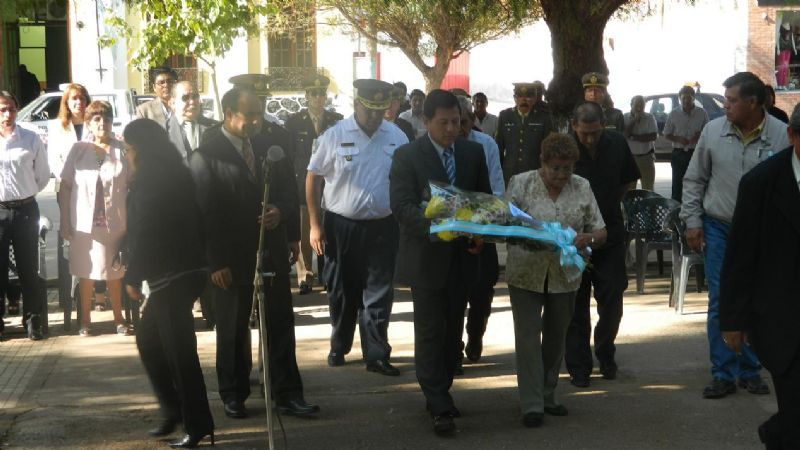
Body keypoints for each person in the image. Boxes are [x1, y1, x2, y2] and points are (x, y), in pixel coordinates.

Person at [191, 86, 317, 419]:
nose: (256, 122)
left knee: (279, 321)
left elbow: (289, 190)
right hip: (231, 257)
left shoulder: (268, 144)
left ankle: (287, 392)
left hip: (271, 250)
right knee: (232, 327)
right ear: (228, 114)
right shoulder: (207, 153)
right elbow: (204, 212)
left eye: (259, 114)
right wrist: (214, 262)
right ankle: (234, 393)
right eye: (249, 116)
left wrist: (285, 219)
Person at [681, 71, 788, 400]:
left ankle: (751, 369)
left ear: (753, 103)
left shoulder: (782, 135)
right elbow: (694, 180)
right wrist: (693, 221)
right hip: (719, 226)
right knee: (721, 300)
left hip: (763, 233)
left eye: (731, 101)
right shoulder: (713, 131)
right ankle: (723, 372)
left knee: (759, 300)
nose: (724, 106)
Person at [390, 89, 491, 436]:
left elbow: (483, 202)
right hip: (427, 259)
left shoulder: (473, 152)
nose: (451, 129)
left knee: (452, 334)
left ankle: (442, 388)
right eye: (444, 122)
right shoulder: (407, 156)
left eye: (456, 122)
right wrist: (441, 226)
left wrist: (479, 233)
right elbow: (402, 208)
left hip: (463, 261)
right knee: (431, 331)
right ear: (426, 121)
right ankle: (437, 402)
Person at [122, 118, 214, 449]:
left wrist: (133, 276)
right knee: (149, 341)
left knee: (179, 354)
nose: (127, 154)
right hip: (180, 271)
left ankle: (198, 423)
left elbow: (148, 231)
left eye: (129, 148)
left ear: (142, 149)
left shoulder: (153, 180)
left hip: (171, 274)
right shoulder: (173, 171)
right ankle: (173, 409)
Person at [307, 79, 408, 375]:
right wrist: (314, 224)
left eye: (380, 110)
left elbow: (406, 179)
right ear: (356, 105)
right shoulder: (334, 136)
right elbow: (313, 178)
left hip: (383, 226)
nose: (376, 117)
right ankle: (339, 344)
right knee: (341, 291)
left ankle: (376, 353)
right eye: (370, 110)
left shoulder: (396, 136)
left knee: (379, 292)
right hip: (341, 227)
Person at [506, 133, 607, 428]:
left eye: (567, 168)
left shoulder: (582, 187)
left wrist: (588, 238)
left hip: (566, 276)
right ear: (542, 163)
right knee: (526, 339)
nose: (561, 175)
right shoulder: (521, 183)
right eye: (555, 168)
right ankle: (532, 404)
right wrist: (529, 234)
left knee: (555, 338)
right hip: (525, 272)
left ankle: (549, 394)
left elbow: (601, 230)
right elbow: (504, 224)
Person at [720, 104, 800, 449]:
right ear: (792, 136)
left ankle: (778, 431)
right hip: (782, 317)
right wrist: (733, 320)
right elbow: (740, 256)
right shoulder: (761, 184)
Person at [565, 102, 639, 388]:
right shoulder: (563, 146)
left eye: (595, 133)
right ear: (574, 126)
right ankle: (578, 365)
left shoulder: (616, 142)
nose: (590, 139)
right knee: (576, 303)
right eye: (584, 134)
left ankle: (605, 351)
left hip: (610, 231)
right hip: (572, 236)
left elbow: (629, 180)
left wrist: (609, 205)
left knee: (612, 294)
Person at [58, 100, 133, 337]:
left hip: (116, 221)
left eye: (107, 118)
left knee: (114, 273)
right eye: (97, 119)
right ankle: (85, 321)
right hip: (84, 223)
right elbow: (66, 186)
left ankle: (119, 319)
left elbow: (134, 185)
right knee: (86, 272)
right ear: (89, 123)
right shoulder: (78, 149)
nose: (103, 123)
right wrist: (64, 220)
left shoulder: (123, 149)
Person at [455, 96, 503, 369]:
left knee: (482, 291)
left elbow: (496, 191)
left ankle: (475, 335)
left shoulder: (486, 145)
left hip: (483, 231)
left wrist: (478, 225)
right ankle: (454, 348)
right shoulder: (439, 145)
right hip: (451, 233)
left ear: (472, 120)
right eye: (450, 122)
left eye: (462, 122)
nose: (456, 129)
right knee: (454, 295)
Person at [285, 74, 343, 295]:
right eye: (314, 94)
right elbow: (291, 155)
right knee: (304, 228)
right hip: (303, 181)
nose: (319, 98)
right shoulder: (293, 122)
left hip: (329, 182)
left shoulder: (336, 120)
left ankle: (327, 274)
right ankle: (305, 275)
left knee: (326, 228)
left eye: (322, 93)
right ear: (307, 96)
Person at [0, 90, 49, 340]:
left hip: (26, 209)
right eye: (2, 109)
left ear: (17, 109)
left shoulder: (30, 138)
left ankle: (32, 320)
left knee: (28, 268)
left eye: (10, 108)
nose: (7, 114)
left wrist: (24, 193)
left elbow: (41, 176)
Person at [496, 82, 554, 185]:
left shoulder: (543, 118)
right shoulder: (505, 116)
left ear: (535, 98)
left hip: (534, 174)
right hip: (509, 174)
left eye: (528, 97)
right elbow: (499, 147)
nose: (524, 100)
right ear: (515, 98)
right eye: (520, 96)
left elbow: (548, 150)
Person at [663, 85, 708, 202]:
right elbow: (666, 133)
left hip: (696, 152)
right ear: (679, 98)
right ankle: (676, 210)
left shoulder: (702, 113)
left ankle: (695, 208)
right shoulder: (673, 113)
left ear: (694, 98)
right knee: (677, 183)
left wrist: (700, 135)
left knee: (696, 182)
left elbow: (708, 132)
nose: (686, 101)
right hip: (678, 153)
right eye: (683, 98)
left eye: (689, 98)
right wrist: (678, 139)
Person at [171, 81, 218, 159]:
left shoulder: (216, 128)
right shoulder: (161, 131)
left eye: (195, 96)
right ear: (173, 103)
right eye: (185, 98)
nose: (192, 102)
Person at [623, 95, 658, 190]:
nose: (639, 108)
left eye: (642, 105)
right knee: (629, 189)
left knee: (648, 187)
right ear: (631, 105)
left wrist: (633, 137)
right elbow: (624, 135)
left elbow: (653, 136)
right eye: (637, 105)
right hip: (630, 158)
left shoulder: (650, 117)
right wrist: (634, 120)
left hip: (646, 157)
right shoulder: (624, 117)